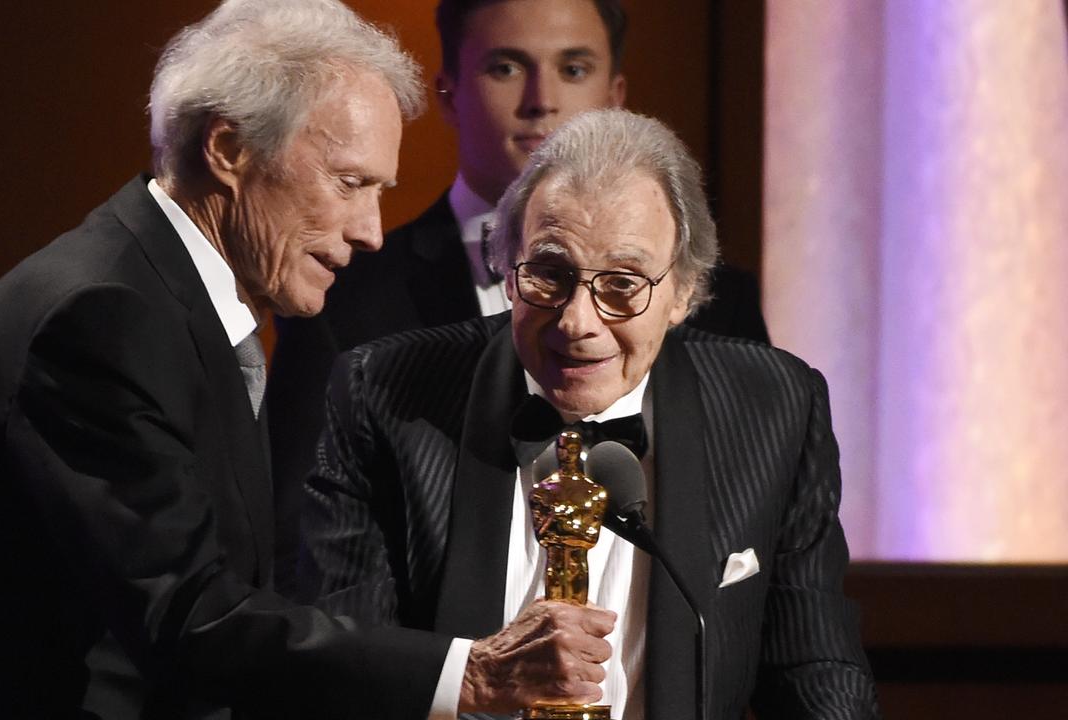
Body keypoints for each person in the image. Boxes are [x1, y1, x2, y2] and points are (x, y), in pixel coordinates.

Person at [0, 2, 617, 718]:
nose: (371, 232)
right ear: (227, 149)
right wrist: (469, 673)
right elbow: (190, 618)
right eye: (350, 184)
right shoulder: (100, 317)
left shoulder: (170, 300)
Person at [299, 109, 879, 718]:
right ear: (507, 269)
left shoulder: (774, 407)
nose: (578, 322)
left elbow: (814, 662)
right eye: (551, 274)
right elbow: (345, 667)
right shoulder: (386, 395)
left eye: (623, 284)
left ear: (683, 292)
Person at [267, 0, 769, 593]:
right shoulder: (343, 298)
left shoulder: (722, 302)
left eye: (574, 69)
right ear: (449, 92)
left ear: (615, 94)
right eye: (505, 67)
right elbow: (301, 555)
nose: (541, 100)